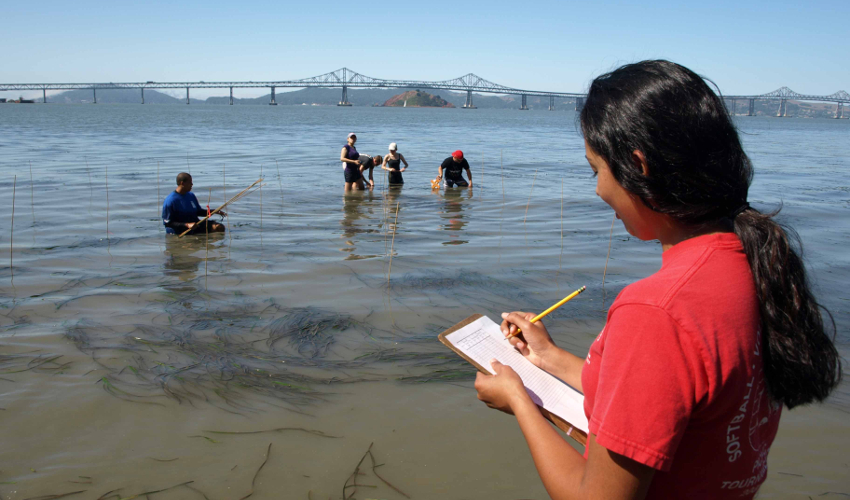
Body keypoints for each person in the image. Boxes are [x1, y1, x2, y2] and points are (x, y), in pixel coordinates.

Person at [473, 60, 840, 500]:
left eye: (596, 170)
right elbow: (668, 394)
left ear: (638, 166)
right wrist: (548, 357)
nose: (597, 191)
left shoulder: (656, 310)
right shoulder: (754, 264)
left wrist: (518, 400)